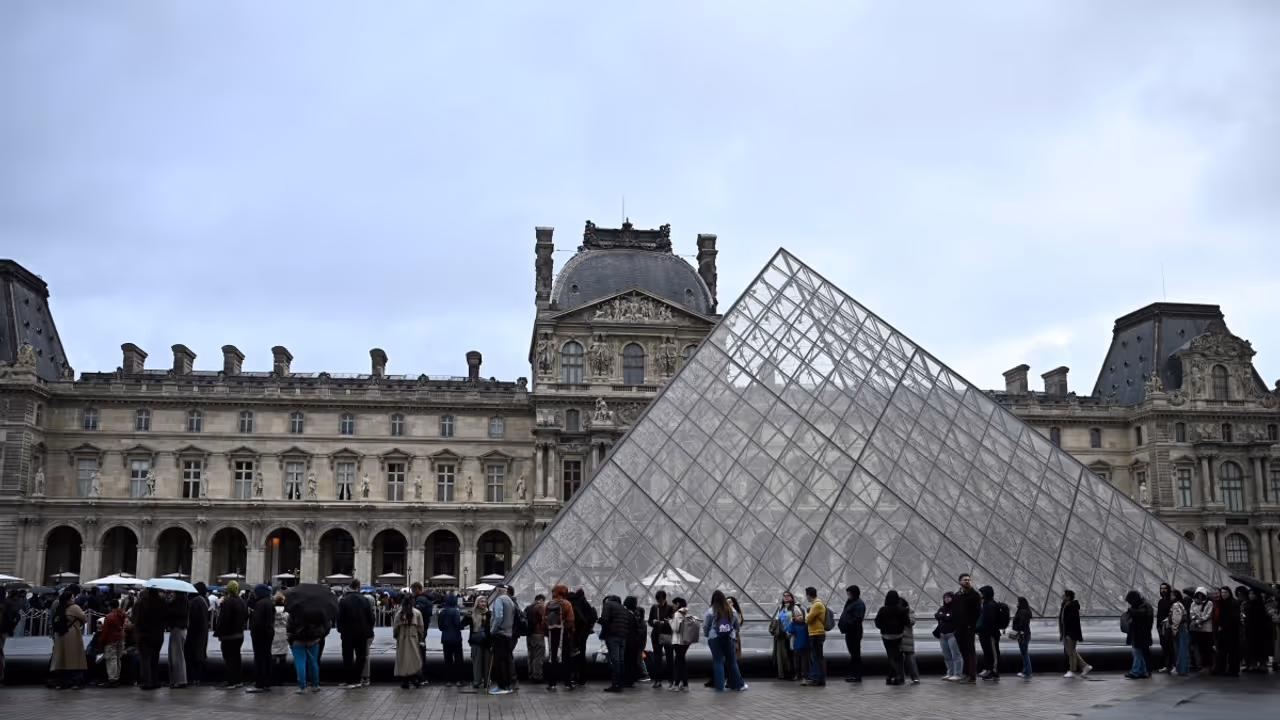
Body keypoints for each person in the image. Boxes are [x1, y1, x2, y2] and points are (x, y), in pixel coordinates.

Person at [704, 589, 745, 692]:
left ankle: (719, 687)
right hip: (729, 637)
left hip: (714, 638)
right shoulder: (732, 610)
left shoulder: (710, 611)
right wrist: (734, 633)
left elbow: (706, 626)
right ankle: (737, 686)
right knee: (732, 661)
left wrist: (707, 634)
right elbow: (736, 626)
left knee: (718, 661)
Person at [337, 579, 374, 690]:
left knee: (347, 656)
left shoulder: (343, 600)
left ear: (350, 587)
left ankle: (349, 680)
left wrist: (341, 630)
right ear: (358, 587)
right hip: (362, 632)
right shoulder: (365, 600)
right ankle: (358, 680)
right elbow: (371, 617)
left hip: (347, 633)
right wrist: (369, 630)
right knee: (361, 656)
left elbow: (339, 617)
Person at [50, 589, 87, 689]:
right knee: (74, 658)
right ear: (68, 600)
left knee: (61, 659)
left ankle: (61, 682)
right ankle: (75, 682)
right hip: (72, 635)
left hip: (59, 635)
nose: (74, 599)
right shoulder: (75, 608)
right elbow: (85, 619)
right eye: (72, 598)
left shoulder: (58, 606)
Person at [214, 580, 247, 688]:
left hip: (228, 636)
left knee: (229, 658)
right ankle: (238, 681)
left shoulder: (227, 602)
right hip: (239, 634)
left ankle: (230, 681)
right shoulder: (242, 601)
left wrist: (219, 634)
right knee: (237, 657)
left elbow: (223, 620)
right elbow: (246, 616)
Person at [132, 586, 166, 690]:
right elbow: (166, 617)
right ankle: (154, 680)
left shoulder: (141, 602)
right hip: (158, 634)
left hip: (144, 635)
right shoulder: (162, 602)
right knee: (155, 658)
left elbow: (136, 619)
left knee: (145, 659)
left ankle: (146, 681)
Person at [951, 573, 981, 684]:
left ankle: (971, 676)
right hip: (959, 628)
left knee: (970, 652)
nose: (967, 581)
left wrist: (971, 625)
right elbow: (954, 612)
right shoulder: (956, 596)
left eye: (968, 580)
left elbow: (977, 612)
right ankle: (966, 673)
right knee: (963, 651)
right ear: (960, 582)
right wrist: (954, 627)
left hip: (969, 628)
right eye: (965, 580)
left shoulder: (974, 595)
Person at [545, 585, 576, 691]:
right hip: (563, 634)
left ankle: (552, 684)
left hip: (552, 634)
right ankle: (567, 683)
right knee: (565, 659)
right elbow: (571, 621)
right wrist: (570, 633)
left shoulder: (548, 604)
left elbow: (544, 620)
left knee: (552, 658)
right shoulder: (566, 604)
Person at [874, 589, 908, 685]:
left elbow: (877, 622)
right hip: (898, 635)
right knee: (897, 655)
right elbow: (907, 621)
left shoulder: (882, 610)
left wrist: (883, 628)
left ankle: (892, 676)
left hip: (886, 636)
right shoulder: (901, 610)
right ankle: (897, 676)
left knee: (890, 655)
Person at [598, 594, 629, 692]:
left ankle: (615, 684)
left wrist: (600, 622)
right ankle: (621, 683)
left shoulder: (608, 604)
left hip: (612, 635)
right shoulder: (623, 608)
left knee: (614, 660)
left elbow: (605, 619)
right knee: (621, 660)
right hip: (623, 636)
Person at [489, 585, 516, 694]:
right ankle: (508, 685)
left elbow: (498, 617)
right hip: (508, 634)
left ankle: (501, 686)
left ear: (498, 590)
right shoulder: (510, 601)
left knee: (499, 662)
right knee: (506, 661)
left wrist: (493, 630)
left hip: (500, 634)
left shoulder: (499, 600)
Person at [394, 593, 425, 689]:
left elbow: (395, 628)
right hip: (413, 639)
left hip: (402, 639)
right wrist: (421, 639)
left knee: (403, 658)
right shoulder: (417, 613)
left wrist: (396, 636)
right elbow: (421, 628)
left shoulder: (399, 613)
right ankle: (414, 678)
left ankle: (405, 680)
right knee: (414, 658)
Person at [1059, 589, 1090, 678]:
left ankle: (1072, 671)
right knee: (1071, 651)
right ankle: (1085, 666)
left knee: (1071, 652)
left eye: (1064, 595)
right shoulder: (1065, 605)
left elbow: (1072, 622)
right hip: (1066, 633)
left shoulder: (1072, 607)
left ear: (1068, 597)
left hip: (1070, 633)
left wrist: (1069, 634)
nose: (1062, 596)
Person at [1123, 590, 1154, 679]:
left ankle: (1135, 672)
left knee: (1137, 653)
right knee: (1139, 653)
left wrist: (1132, 612)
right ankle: (1143, 671)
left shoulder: (1144, 607)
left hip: (1141, 634)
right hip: (1139, 634)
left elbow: (1142, 616)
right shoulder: (1144, 605)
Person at [838, 585, 865, 683]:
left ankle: (856, 675)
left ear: (854, 594)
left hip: (854, 632)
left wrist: (847, 624)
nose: (848, 595)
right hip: (850, 631)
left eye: (849, 594)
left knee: (855, 654)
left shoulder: (859, 604)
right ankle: (854, 674)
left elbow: (857, 618)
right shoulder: (852, 602)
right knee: (853, 653)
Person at [437, 593, 466, 687]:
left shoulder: (442, 612)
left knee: (448, 660)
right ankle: (459, 680)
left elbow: (440, 626)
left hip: (445, 638)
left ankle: (448, 680)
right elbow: (458, 624)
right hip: (456, 638)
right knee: (458, 660)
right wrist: (463, 625)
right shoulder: (456, 612)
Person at [647, 590, 674, 689]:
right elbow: (649, 621)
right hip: (656, 635)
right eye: (658, 601)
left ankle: (671, 680)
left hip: (666, 634)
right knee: (657, 658)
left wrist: (665, 622)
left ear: (665, 599)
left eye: (661, 601)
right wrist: (654, 622)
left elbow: (673, 621)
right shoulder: (654, 608)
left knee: (669, 657)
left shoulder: (670, 608)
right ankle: (658, 680)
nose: (660, 603)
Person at [99, 598, 128, 687]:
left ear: (110, 607)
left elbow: (105, 631)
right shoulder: (123, 614)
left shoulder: (109, 617)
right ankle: (116, 677)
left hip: (111, 639)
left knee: (111, 659)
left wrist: (101, 641)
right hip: (121, 638)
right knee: (118, 658)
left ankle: (112, 679)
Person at [571, 589, 597, 687]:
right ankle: (582, 678)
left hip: (576, 634)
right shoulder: (587, 605)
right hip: (584, 634)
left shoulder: (576, 605)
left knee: (574, 655)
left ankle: (574, 676)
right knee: (582, 655)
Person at [465, 595, 492, 690]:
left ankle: (487, 681)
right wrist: (466, 617)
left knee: (487, 663)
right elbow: (462, 624)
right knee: (477, 663)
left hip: (487, 642)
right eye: (481, 601)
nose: (483, 603)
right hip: (476, 641)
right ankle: (477, 681)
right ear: (477, 603)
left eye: (485, 601)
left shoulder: (490, 614)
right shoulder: (472, 614)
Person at [1214, 585, 1241, 676]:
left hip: (1232, 630)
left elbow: (1234, 617)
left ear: (1229, 593)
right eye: (1222, 593)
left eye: (1225, 592)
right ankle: (1221, 669)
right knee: (1222, 650)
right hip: (1223, 630)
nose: (1223, 594)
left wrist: (1223, 625)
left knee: (1233, 651)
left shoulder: (1234, 603)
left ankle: (1233, 670)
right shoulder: (1221, 603)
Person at [802, 586, 827, 686]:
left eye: (806, 595)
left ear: (809, 595)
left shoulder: (816, 605)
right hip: (816, 633)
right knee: (817, 656)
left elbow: (808, 619)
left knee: (816, 657)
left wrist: (806, 617)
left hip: (816, 633)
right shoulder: (816, 604)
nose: (806, 597)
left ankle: (817, 678)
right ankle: (818, 678)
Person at [976, 585, 1002, 681]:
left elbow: (989, 622)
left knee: (992, 653)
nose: (979, 594)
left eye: (981, 593)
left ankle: (993, 671)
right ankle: (988, 669)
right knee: (987, 652)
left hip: (990, 634)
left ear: (985, 593)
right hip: (986, 634)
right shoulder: (987, 604)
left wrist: (978, 629)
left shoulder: (989, 605)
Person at [1244, 589, 1273, 672]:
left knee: (1260, 647)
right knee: (1252, 647)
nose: (1250, 596)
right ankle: (1254, 664)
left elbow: (1265, 619)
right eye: (1249, 594)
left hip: (1260, 630)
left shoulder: (1260, 606)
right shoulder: (1248, 605)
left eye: (1252, 594)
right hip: (1251, 630)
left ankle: (1261, 664)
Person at [935, 592, 962, 680]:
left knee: (955, 655)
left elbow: (951, 617)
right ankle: (950, 673)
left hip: (952, 634)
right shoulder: (942, 608)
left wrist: (943, 616)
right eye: (945, 597)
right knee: (946, 655)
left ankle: (957, 674)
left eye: (949, 597)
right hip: (942, 635)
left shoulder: (956, 608)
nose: (947, 599)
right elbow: (937, 615)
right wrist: (945, 616)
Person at [187, 583, 210, 686]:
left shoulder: (196, 601)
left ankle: (192, 678)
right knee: (200, 653)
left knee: (193, 654)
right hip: (203, 631)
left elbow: (193, 617)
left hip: (195, 631)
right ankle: (198, 678)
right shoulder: (205, 600)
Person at [669, 596, 693, 691]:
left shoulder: (677, 614)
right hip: (685, 641)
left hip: (678, 641)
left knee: (678, 663)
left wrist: (670, 621)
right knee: (682, 662)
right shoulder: (687, 613)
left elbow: (675, 628)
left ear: (677, 604)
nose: (673, 606)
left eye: (674, 604)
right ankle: (685, 684)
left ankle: (676, 684)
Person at [166, 590, 190, 688]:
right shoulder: (185, 602)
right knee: (178, 655)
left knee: (176, 656)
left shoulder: (177, 603)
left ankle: (179, 680)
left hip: (176, 629)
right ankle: (179, 680)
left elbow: (171, 614)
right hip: (182, 630)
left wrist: (170, 603)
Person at [411, 582, 433, 687]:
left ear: (417, 589)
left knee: (418, 653)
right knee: (421, 651)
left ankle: (420, 676)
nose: (412, 592)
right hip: (423, 628)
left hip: (419, 630)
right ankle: (421, 675)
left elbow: (417, 616)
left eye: (413, 590)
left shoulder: (420, 600)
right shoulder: (426, 599)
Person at [771, 592, 796, 680]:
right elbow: (777, 619)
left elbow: (796, 619)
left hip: (790, 633)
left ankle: (792, 673)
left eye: (788, 595)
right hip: (781, 633)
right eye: (784, 596)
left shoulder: (794, 607)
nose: (786, 597)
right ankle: (783, 673)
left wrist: (791, 631)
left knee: (790, 653)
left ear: (791, 597)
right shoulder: (780, 607)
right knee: (782, 654)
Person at [1188, 587, 1215, 672]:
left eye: (1201, 594)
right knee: (1200, 648)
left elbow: (1209, 614)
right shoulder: (1193, 603)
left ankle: (1209, 665)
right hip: (1197, 629)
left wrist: (1200, 620)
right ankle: (1202, 664)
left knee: (1208, 647)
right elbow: (1191, 613)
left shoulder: (1209, 603)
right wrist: (1195, 619)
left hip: (1207, 629)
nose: (1200, 596)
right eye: (1198, 594)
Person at [623, 596, 646, 686]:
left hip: (629, 642)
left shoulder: (627, 615)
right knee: (633, 661)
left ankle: (628, 680)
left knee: (628, 661)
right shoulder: (634, 616)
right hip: (635, 642)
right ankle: (631, 679)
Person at [526, 594, 547, 685]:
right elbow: (544, 620)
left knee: (531, 655)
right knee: (538, 655)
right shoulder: (540, 607)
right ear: (541, 600)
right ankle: (537, 676)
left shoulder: (528, 607)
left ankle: (531, 674)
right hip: (538, 634)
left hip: (529, 634)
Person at [1168, 588, 1190, 675]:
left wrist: (1174, 629)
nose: (1170, 597)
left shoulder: (1175, 605)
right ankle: (1183, 668)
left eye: (1172, 595)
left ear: (1175, 596)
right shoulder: (1180, 604)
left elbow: (1176, 619)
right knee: (1183, 649)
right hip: (1182, 628)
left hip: (1179, 629)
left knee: (1180, 649)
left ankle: (1181, 669)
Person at [1155, 583, 1176, 673]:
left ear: (1168, 590)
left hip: (1168, 627)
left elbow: (1172, 614)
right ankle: (1167, 665)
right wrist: (1158, 626)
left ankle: (1174, 665)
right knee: (1164, 647)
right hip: (1161, 627)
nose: (1163, 590)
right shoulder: (1160, 601)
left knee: (1171, 646)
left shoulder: (1171, 602)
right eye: (1161, 588)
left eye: (1165, 588)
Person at [270, 592, 290, 686]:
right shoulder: (286, 613)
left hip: (273, 633)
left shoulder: (271, 611)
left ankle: (273, 678)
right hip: (284, 634)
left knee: (273, 657)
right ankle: (281, 679)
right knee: (283, 658)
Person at [1011, 596, 1032, 679]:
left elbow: (1021, 624)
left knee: (1024, 653)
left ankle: (1027, 672)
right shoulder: (1026, 611)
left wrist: (1016, 629)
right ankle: (1026, 671)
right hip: (1025, 634)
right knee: (1024, 652)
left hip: (1023, 635)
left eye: (1018, 602)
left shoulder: (1022, 612)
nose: (1016, 603)